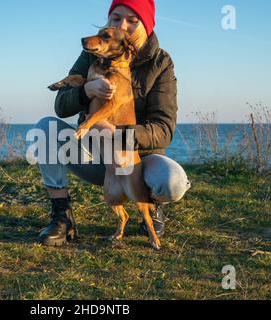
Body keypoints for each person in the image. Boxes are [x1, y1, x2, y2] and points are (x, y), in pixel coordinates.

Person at [35, 0, 191, 246]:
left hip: (139, 157)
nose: (123, 25)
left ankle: (152, 205)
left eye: (132, 20)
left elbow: (163, 130)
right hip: (96, 155)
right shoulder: (93, 53)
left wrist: (117, 133)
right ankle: (61, 216)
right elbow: (61, 107)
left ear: (146, 25)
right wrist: (86, 90)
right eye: (116, 18)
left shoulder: (161, 63)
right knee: (46, 129)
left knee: (173, 182)